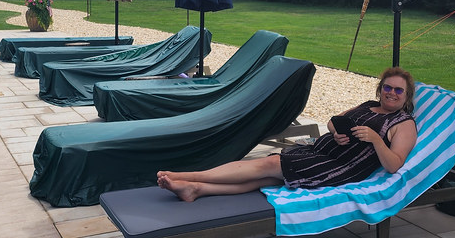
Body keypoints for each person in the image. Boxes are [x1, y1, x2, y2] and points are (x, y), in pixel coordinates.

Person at [156, 67, 418, 202]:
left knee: (269, 164)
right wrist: (337, 132)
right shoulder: (367, 105)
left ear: (406, 97)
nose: (391, 93)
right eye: (387, 87)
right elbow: (332, 122)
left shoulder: (403, 124)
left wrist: (375, 139)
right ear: (380, 88)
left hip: (338, 167)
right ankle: (195, 190)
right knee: (265, 179)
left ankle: (187, 175)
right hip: (320, 151)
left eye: (398, 91)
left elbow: (394, 164)